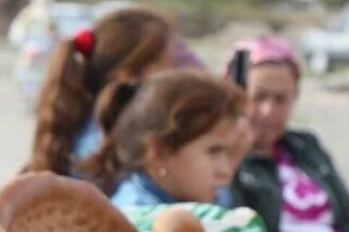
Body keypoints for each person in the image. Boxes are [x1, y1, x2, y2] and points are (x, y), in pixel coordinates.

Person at [226, 36, 349, 232]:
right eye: (259, 97)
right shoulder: (228, 160)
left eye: (280, 99)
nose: (269, 111)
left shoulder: (306, 146)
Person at [27, 8, 173, 180]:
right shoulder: (116, 146)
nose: (175, 74)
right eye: (166, 64)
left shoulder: (75, 131)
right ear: (126, 75)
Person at [83, 69, 244, 210]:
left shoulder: (209, 202)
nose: (226, 171)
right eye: (213, 151)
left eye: (229, 153)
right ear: (159, 153)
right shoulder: (136, 227)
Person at [8, 0, 59, 106]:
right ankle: (28, 98)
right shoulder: (26, 16)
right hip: (29, 54)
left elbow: (54, 37)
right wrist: (28, 48)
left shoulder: (52, 17)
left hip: (46, 55)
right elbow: (16, 34)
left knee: (45, 78)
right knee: (26, 76)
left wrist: (51, 49)